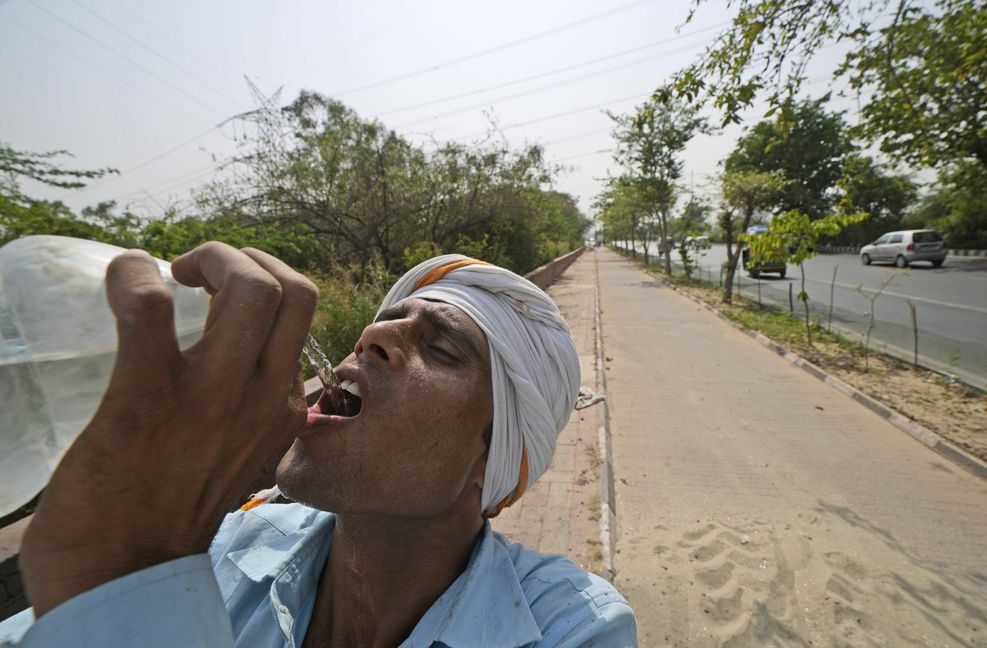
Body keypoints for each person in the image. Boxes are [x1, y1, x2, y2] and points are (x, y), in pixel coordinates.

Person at [0, 242, 636, 647]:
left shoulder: (568, 628)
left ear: (489, 462)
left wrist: (127, 574)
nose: (372, 336)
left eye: (441, 349)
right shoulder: (229, 543)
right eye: (387, 320)